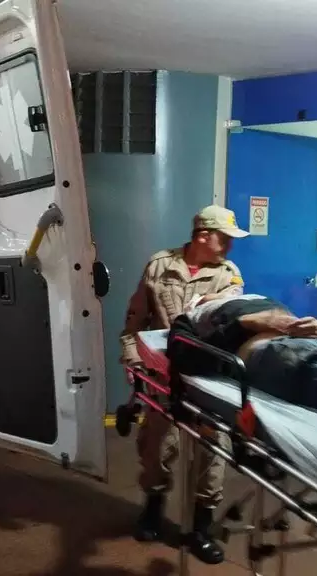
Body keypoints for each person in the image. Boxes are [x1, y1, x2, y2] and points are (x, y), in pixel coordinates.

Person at [119, 204, 249, 564]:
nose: (230, 246)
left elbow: (234, 314)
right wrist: (134, 362)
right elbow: (135, 322)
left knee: (213, 450)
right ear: (203, 236)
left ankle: (201, 528)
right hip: (163, 375)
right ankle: (153, 509)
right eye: (224, 239)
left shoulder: (228, 274)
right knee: (157, 447)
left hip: (207, 379)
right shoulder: (160, 266)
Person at [170, 294, 317, 432]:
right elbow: (184, 356)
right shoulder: (193, 317)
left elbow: (296, 321)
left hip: (316, 341)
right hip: (269, 350)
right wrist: (243, 324)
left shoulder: (257, 297)